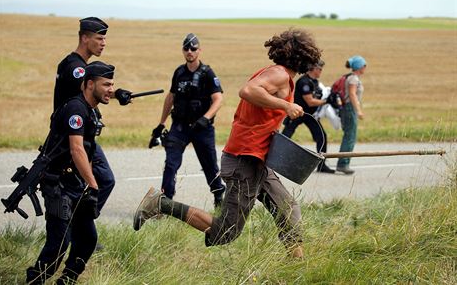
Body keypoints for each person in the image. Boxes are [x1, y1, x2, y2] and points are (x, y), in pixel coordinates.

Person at [135, 29, 321, 258]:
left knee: (287, 209)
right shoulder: (280, 75)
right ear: (304, 57)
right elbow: (247, 90)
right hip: (244, 159)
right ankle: (160, 204)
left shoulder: (280, 76)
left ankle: (297, 268)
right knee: (226, 231)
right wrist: (286, 106)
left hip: (258, 158)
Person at [26, 61, 116, 284]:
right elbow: (76, 149)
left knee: (87, 239)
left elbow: (86, 150)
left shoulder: (91, 110)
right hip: (57, 184)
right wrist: (93, 185)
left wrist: (87, 184)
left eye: (112, 84)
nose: (111, 89)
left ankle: (67, 280)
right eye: (106, 84)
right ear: (89, 84)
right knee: (59, 243)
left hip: (74, 183)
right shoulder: (75, 109)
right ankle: (35, 280)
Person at [53, 17, 132, 216]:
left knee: (94, 182)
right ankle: (81, 227)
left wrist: (116, 94)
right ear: (85, 38)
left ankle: (81, 229)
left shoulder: (76, 64)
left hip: (78, 133)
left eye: (105, 39)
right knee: (102, 180)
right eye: (99, 38)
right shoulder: (75, 67)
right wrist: (116, 93)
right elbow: (91, 87)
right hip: (70, 137)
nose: (103, 43)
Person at [149, 33, 225, 206]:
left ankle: (218, 195)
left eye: (193, 48)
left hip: (202, 128)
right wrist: (161, 124)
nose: (189, 51)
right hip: (179, 127)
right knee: (171, 164)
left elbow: (218, 99)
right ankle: (165, 202)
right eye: (186, 48)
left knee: (210, 165)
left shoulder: (207, 73)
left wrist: (206, 118)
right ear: (183, 51)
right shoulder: (179, 72)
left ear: (199, 51)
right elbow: (170, 97)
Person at [282, 60, 335, 173]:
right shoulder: (304, 82)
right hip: (298, 113)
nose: (321, 71)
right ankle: (275, 159)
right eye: (319, 69)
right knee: (285, 137)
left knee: (322, 137)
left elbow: (318, 97)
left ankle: (322, 165)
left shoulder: (315, 82)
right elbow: (310, 101)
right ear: (313, 69)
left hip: (310, 115)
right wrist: (326, 101)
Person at [336, 55, 367, 174]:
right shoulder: (353, 79)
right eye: (364, 65)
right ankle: (343, 164)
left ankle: (343, 163)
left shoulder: (351, 77)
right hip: (350, 109)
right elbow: (352, 95)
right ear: (359, 67)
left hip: (347, 108)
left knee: (349, 136)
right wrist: (358, 110)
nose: (365, 68)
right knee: (350, 137)